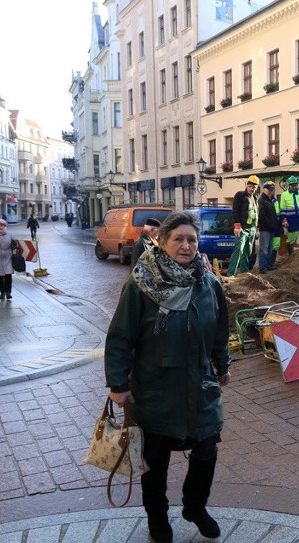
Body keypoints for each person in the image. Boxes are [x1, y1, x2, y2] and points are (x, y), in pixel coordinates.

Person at [104, 211, 231, 543]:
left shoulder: (209, 283)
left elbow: (220, 330)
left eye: (191, 239)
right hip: (154, 390)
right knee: (154, 463)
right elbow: (120, 336)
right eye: (178, 239)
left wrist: (223, 364)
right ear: (162, 241)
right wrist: (118, 385)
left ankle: (194, 507)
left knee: (206, 449)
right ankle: (157, 518)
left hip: (199, 386)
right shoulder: (141, 283)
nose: (186, 246)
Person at [227, 175, 259, 276]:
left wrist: (257, 228)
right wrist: (237, 226)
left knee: (247, 252)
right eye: (250, 186)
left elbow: (256, 214)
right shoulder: (240, 195)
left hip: (252, 229)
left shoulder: (254, 198)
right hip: (242, 228)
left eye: (254, 187)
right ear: (247, 186)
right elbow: (235, 211)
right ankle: (231, 274)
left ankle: (244, 273)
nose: (252, 189)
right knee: (239, 250)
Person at [257, 181, 279, 274]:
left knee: (270, 248)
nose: (271, 192)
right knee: (264, 249)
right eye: (269, 190)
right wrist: (270, 224)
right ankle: (263, 267)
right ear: (264, 189)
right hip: (265, 229)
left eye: (272, 190)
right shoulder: (261, 200)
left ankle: (268, 265)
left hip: (271, 228)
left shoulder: (270, 200)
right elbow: (262, 216)